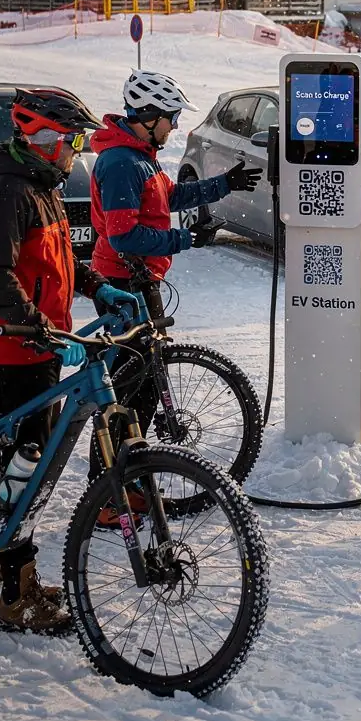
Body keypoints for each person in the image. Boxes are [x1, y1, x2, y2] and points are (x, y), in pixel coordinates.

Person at [0, 88, 136, 635]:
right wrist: (38, 331)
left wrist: (97, 287)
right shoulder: (9, 192)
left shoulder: (42, 186)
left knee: (18, 456)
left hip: (35, 342)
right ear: (45, 141)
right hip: (9, 343)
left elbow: (56, 259)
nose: (79, 152)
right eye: (75, 141)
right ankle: (17, 595)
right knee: (29, 464)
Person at [89, 70, 262, 494]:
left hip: (141, 278)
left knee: (144, 385)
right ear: (148, 115)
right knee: (125, 392)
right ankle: (109, 490)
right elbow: (122, 234)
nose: (176, 125)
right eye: (171, 117)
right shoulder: (120, 163)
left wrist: (225, 184)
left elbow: (172, 197)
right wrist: (183, 238)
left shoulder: (139, 154)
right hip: (122, 283)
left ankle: (128, 477)